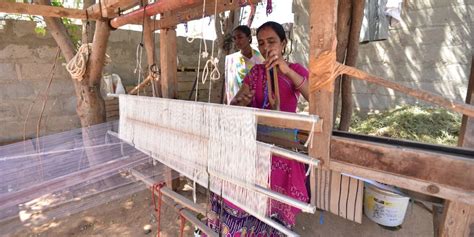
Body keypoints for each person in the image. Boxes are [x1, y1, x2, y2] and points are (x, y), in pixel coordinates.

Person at [208, 21, 310, 236]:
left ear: (283, 42)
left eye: (271, 41)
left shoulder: (296, 70)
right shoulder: (256, 72)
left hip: (281, 148)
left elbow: (315, 99)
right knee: (246, 197)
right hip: (253, 145)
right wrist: (240, 102)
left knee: (273, 204)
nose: (265, 48)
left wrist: (285, 70)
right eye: (261, 43)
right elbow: (235, 104)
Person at [224, 25, 265, 104]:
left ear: (249, 38)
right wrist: (225, 101)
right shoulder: (231, 59)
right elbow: (228, 84)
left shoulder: (260, 59)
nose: (237, 41)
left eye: (240, 37)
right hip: (235, 103)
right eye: (234, 38)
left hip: (254, 103)